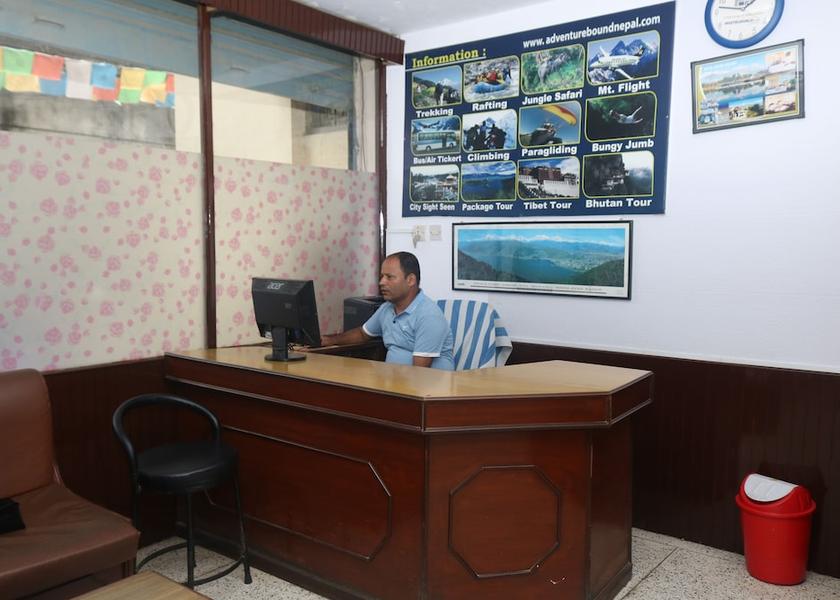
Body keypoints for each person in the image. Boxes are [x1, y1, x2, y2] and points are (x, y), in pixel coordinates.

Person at [321, 252, 455, 370]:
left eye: (389, 277)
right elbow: (362, 334)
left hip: (427, 387)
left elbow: (419, 371)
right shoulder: (387, 308)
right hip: (393, 382)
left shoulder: (429, 316)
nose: (382, 282)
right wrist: (329, 340)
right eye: (382, 276)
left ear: (410, 280)